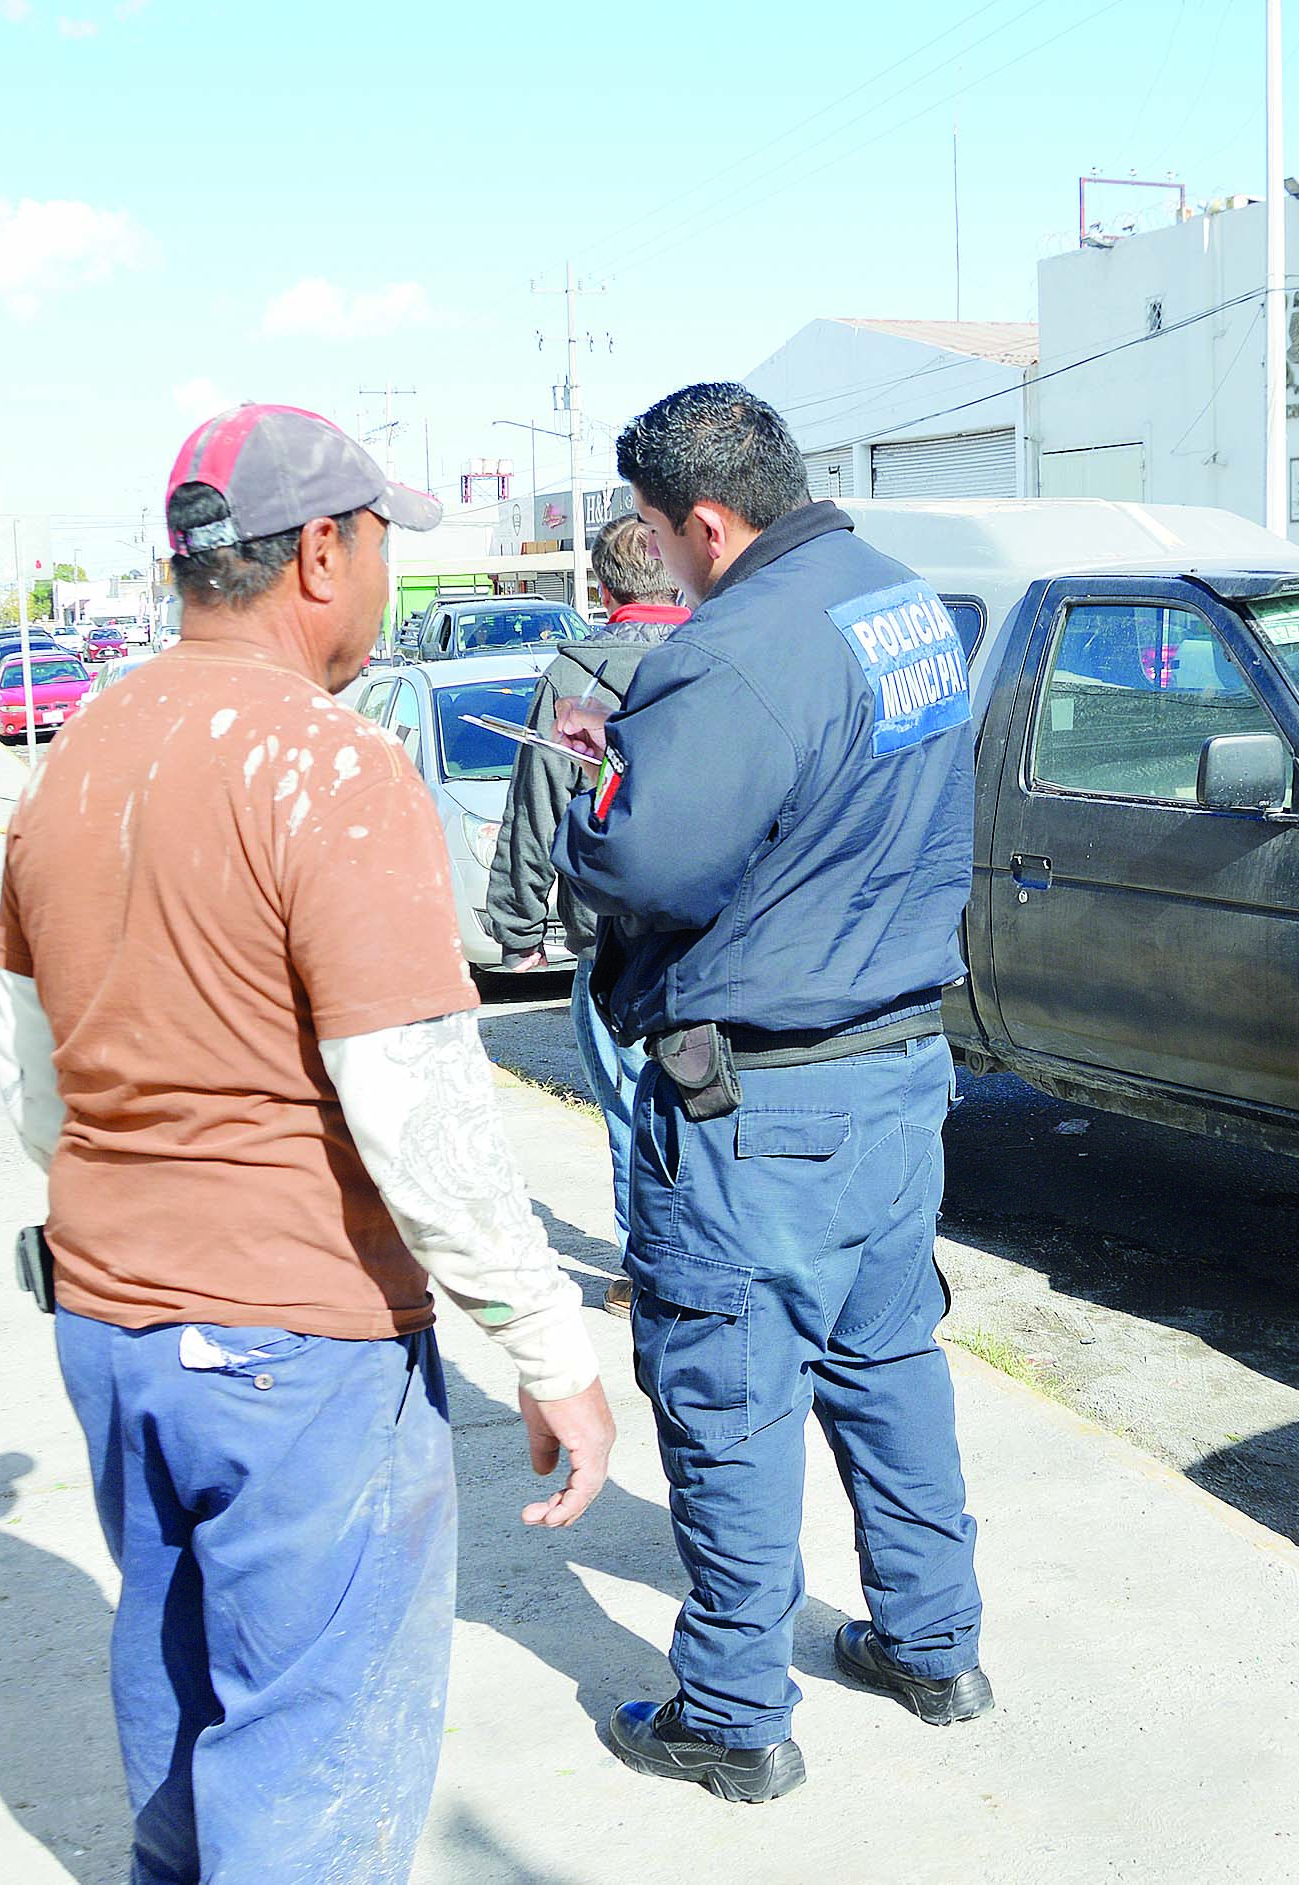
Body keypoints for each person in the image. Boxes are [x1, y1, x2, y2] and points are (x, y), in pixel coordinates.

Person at [0, 403, 616, 1883]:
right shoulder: (329, 771)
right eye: (384, 540)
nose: (387, 573)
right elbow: (416, 1103)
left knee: (180, 1698)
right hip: (293, 1346)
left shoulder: (71, 760)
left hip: (111, 1324)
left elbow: (37, 1084)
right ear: (322, 554)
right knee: (313, 1757)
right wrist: (547, 1343)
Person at [551, 383, 989, 1805]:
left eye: (659, 539)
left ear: (707, 520)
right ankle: (933, 1646)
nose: (661, 563)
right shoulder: (901, 603)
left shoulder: (736, 652)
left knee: (729, 1398)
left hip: (765, 1110)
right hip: (896, 1074)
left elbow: (642, 868)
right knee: (888, 1368)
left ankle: (731, 1714)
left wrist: (586, 800)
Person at [482, 514, 690, 1317]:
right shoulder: (712, 660)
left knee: (628, 1101)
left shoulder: (575, 673)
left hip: (612, 938)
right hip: (715, 931)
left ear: (603, 590)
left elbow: (536, 806)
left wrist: (518, 924)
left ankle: (649, 1272)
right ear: (671, 575)